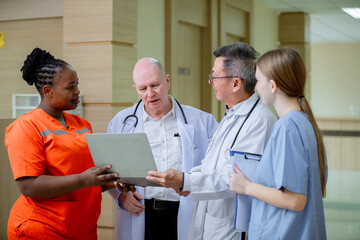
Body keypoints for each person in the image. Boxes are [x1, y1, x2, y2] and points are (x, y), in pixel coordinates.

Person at [146, 42, 277, 239]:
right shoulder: (231, 114)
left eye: (214, 76)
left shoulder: (259, 121)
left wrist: (186, 180)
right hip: (210, 223)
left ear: (235, 83)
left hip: (231, 229)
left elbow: (234, 180)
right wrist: (185, 178)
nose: (211, 82)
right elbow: (212, 165)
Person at [5, 48, 120, 240]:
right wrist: (83, 179)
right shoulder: (26, 126)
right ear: (48, 91)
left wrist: (111, 181)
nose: (77, 91)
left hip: (82, 229)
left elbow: (86, 179)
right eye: (70, 87)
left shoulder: (82, 125)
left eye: (77, 85)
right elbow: (28, 186)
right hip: (41, 229)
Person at [107, 57, 218, 240]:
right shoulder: (121, 122)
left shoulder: (202, 121)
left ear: (167, 81)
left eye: (155, 85)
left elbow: (216, 168)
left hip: (184, 211)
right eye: (143, 89)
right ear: (136, 89)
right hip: (142, 212)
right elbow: (108, 169)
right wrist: (121, 196)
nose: (150, 94)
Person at [229, 47, 327, 239]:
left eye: (258, 81)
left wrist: (246, 187)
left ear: (273, 86)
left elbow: (295, 199)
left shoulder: (287, 127)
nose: (256, 87)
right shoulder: (304, 122)